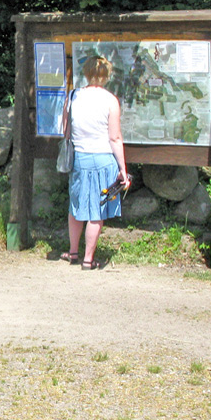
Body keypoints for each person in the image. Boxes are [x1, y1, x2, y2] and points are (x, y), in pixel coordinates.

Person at [61, 56, 130, 270]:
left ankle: (73, 252)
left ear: (87, 73)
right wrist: (123, 169)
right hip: (103, 159)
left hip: (79, 159)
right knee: (97, 211)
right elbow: (115, 138)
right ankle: (88, 260)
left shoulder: (73, 96)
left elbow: (66, 131)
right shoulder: (110, 100)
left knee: (77, 206)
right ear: (106, 75)